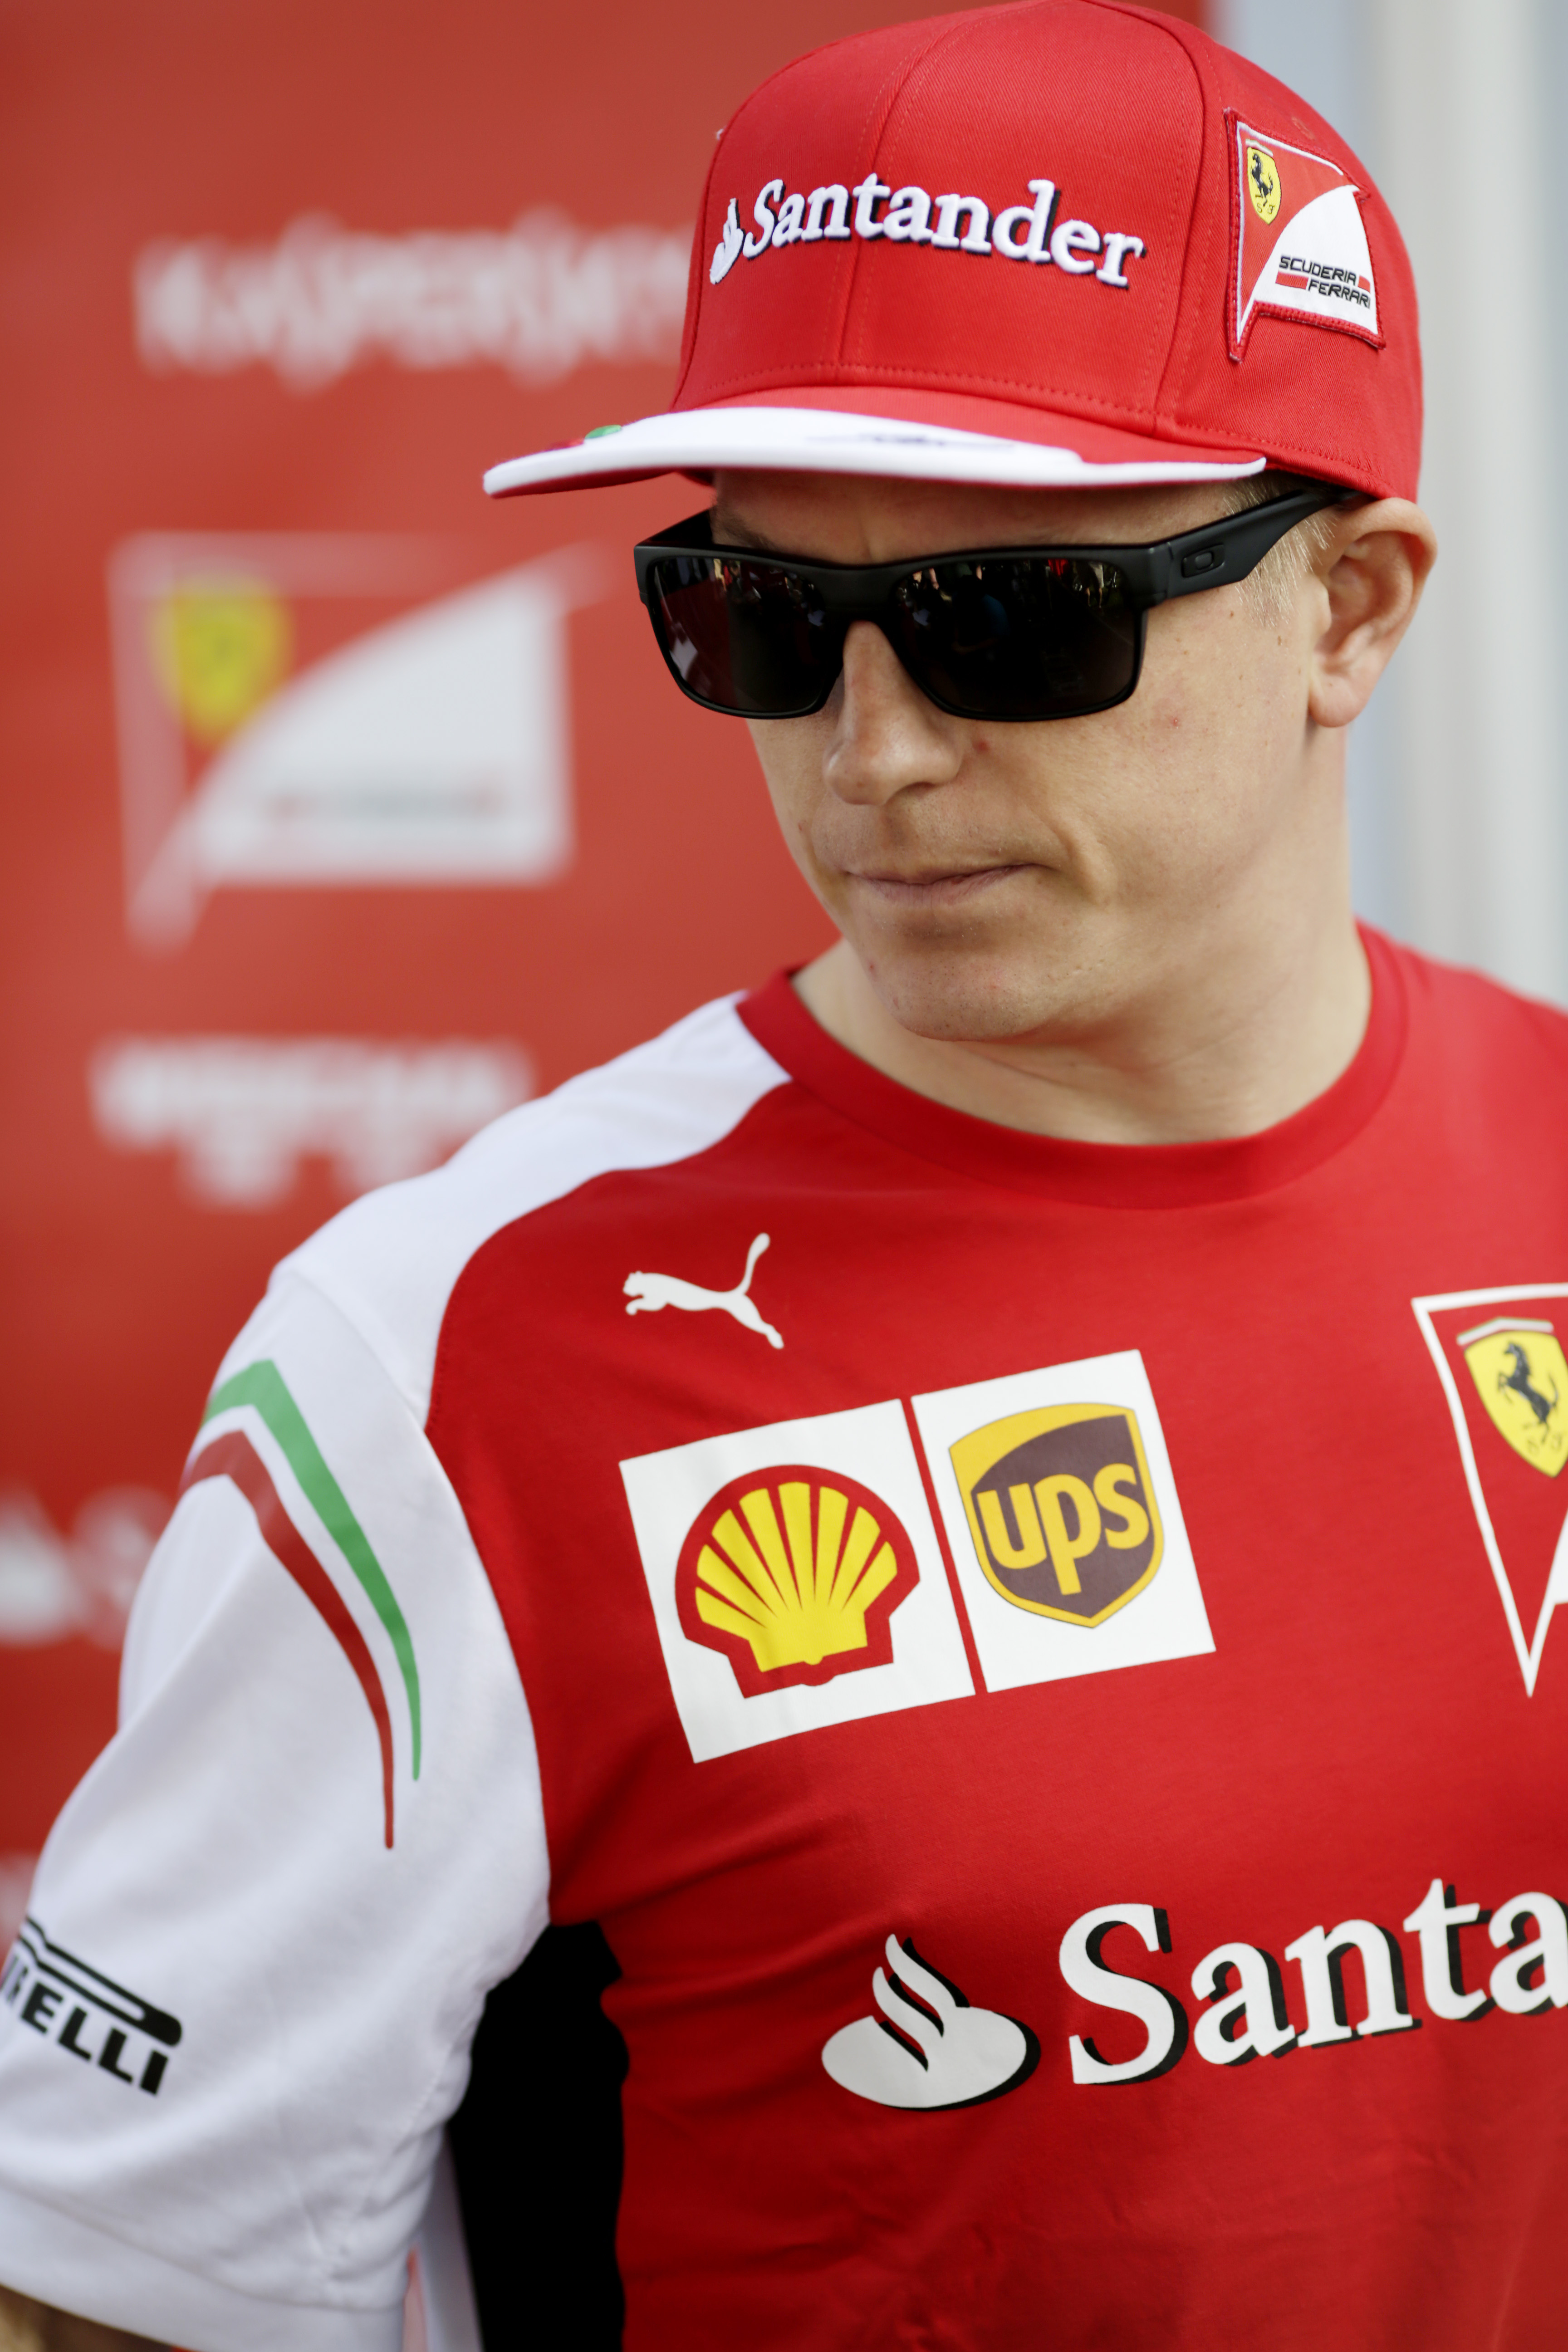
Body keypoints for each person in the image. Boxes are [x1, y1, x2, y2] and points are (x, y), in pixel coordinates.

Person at [4, 2, 1567, 2346]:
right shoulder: (452, 1353)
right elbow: (110, 2291)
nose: (875, 753)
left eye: (1009, 619)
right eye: (758, 617)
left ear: (1349, 608)